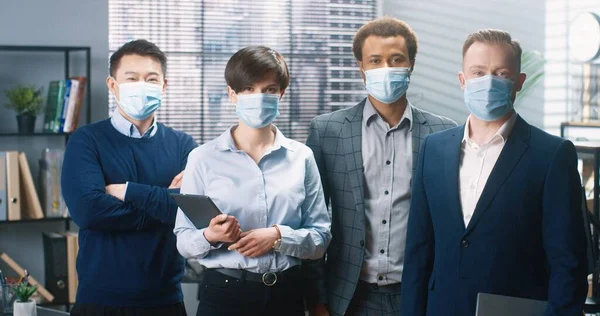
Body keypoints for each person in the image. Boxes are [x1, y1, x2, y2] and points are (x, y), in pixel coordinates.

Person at [401, 29, 588, 316]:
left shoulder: (552, 154)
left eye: (500, 73)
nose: (487, 82)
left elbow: (568, 263)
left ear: (519, 82)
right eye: (478, 72)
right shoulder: (434, 149)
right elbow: (418, 252)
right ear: (462, 80)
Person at [303, 17, 456, 316]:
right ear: (361, 67)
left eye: (396, 59)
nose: (386, 68)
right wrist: (316, 299)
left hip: (420, 293)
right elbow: (311, 219)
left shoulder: (444, 133)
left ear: (411, 65)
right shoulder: (327, 131)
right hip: (349, 295)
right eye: (375, 60)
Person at [173, 46, 332, 316]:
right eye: (248, 88)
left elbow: (321, 237)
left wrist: (278, 237)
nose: (259, 97)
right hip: (224, 294)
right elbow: (184, 241)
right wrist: (211, 236)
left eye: (269, 89)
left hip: (287, 294)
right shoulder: (202, 158)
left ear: (281, 94)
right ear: (231, 94)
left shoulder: (302, 157)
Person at [62, 39, 196, 316]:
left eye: (151, 79)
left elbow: (192, 210)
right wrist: (164, 202)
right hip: (99, 299)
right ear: (113, 85)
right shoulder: (87, 140)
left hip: (165, 299)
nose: (142, 85)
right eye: (132, 78)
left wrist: (128, 192)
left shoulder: (184, 145)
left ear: (164, 85)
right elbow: (89, 212)